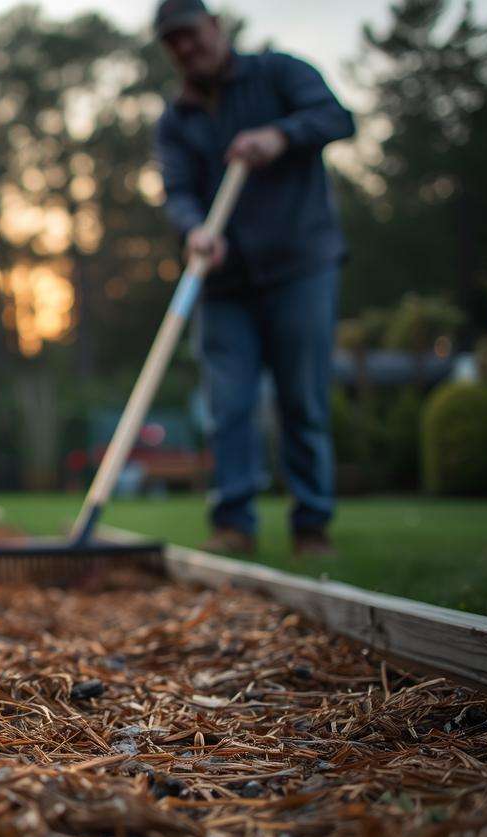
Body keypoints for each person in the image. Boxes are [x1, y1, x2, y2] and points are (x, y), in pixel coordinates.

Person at [152, 0, 355, 557]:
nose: (186, 48)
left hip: (300, 264)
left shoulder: (279, 73)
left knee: (302, 399)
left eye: (191, 34)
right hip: (223, 281)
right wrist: (195, 230)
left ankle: (311, 526)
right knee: (228, 404)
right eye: (174, 43)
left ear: (215, 26)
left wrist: (280, 136)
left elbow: (338, 118)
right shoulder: (176, 121)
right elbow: (178, 192)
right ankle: (233, 524)